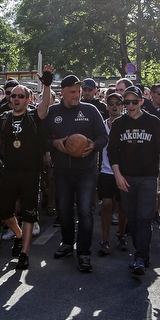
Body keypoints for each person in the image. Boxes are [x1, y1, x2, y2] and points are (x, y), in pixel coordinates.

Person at [0, 66, 54, 270]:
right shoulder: (3, 118)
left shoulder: (34, 117)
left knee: (29, 214)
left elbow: (45, 106)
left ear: (28, 99)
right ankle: (19, 235)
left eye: (21, 96)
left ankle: (24, 253)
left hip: (31, 173)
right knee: (4, 212)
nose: (16, 99)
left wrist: (46, 85)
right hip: (10, 172)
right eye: (13, 96)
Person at [43, 73, 109, 273]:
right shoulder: (52, 112)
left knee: (85, 212)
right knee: (63, 209)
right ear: (62, 92)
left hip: (86, 171)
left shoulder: (90, 110)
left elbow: (103, 137)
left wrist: (93, 145)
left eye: (78, 91)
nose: (77, 95)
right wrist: (54, 143)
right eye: (72, 92)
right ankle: (66, 243)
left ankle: (84, 253)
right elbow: (42, 139)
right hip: (62, 171)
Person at [108, 87, 160, 276]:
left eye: (134, 102)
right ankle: (141, 252)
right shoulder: (119, 124)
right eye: (126, 103)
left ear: (142, 102)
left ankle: (141, 256)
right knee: (132, 218)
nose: (130, 106)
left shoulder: (153, 122)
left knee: (144, 217)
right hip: (126, 177)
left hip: (147, 177)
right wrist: (117, 175)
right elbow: (112, 152)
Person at [96, 91, 128, 256]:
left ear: (122, 106)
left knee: (122, 206)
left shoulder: (127, 124)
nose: (114, 106)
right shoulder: (102, 125)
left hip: (123, 172)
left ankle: (122, 235)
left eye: (118, 103)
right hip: (106, 171)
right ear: (107, 106)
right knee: (107, 204)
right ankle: (105, 239)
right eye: (111, 103)